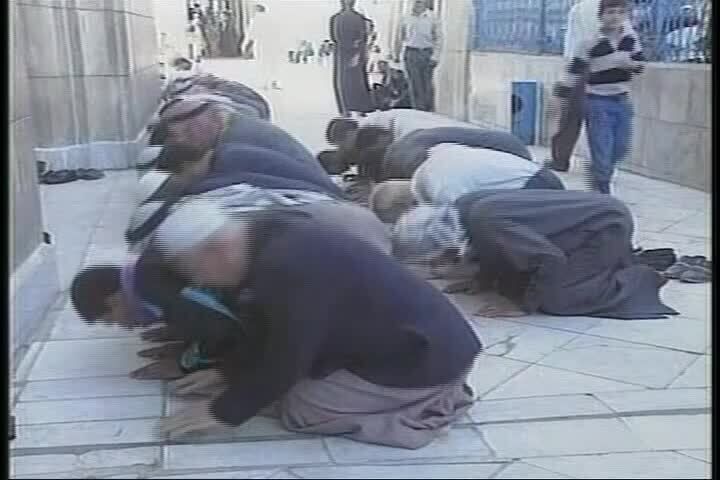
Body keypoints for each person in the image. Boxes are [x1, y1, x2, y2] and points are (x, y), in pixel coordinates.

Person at [153, 199, 481, 449]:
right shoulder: (264, 237)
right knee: (278, 385)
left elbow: (290, 354)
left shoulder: (286, 265)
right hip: (431, 343)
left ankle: (423, 405)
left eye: (194, 271)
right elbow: (268, 326)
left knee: (301, 405)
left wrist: (225, 412)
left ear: (216, 251)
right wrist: (229, 372)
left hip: (426, 360)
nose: (199, 282)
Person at [392, 189, 678, 319]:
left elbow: (549, 259)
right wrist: (482, 279)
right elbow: (492, 250)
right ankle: (611, 263)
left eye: (435, 258)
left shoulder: (487, 222)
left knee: (557, 299)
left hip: (606, 225)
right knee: (512, 281)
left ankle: (638, 278)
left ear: (442, 246)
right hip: (585, 220)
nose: (438, 265)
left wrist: (523, 306)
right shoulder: (465, 208)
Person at [556, 0, 645, 194]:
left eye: (620, 12)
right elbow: (574, 68)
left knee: (621, 147)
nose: (615, 16)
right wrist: (563, 92)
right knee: (601, 146)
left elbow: (639, 64)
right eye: (610, 12)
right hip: (597, 100)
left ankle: (599, 172)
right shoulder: (590, 42)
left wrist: (629, 64)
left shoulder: (630, 39)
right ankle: (602, 187)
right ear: (601, 16)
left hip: (622, 99)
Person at [330, 0, 374, 117]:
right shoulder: (355, 18)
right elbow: (363, 37)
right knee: (351, 81)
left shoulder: (338, 18)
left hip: (348, 53)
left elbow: (335, 37)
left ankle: (349, 108)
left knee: (348, 82)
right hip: (351, 53)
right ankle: (353, 108)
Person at [399, 0, 441, 111]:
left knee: (427, 85)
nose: (417, 4)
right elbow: (401, 37)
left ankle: (429, 111)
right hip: (411, 52)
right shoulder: (406, 17)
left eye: (420, 2)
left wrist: (435, 56)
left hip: (426, 53)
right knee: (414, 84)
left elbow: (438, 38)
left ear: (425, 3)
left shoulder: (432, 17)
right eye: (415, 2)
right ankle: (418, 110)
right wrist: (399, 56)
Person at [243, 4, 282, 90]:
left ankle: (264, 83)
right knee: (273, 63)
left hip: (262, 44)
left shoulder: (256, 19)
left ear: (257, 10)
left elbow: (252, 34)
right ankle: (274, 81)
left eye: (254, 10)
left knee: (262, 63)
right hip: (273, 43)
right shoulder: (272, 19)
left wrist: (246, 46)